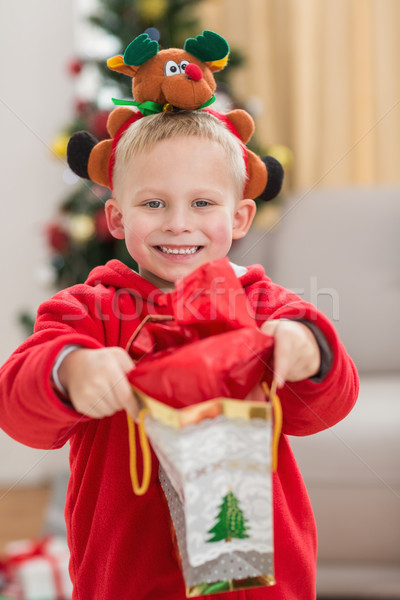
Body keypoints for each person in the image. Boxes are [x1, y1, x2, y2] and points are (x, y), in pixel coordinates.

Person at [0, 110, 358, 599]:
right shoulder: (88, 311)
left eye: (202, 202)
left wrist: (309, 349)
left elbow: (330, 403)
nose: (178, 223)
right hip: (128, 578)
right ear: (118, 217)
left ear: (239, 217)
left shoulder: (264, 305)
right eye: (153, 203)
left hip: (263, 581)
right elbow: (18, 408)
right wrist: (70, 369)